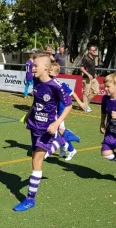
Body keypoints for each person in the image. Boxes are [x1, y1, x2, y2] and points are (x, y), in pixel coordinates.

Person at [13, 53, 72, 212]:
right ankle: (61, 141)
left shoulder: (56, 86)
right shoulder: (37, 82)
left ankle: (30, 199)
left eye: (35, 66)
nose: (32, 68)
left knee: (36, 161)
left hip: (47, 128)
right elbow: (36, 101)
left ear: (46, 67)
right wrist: (28, 113)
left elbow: (68, 105)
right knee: (36, 158)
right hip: (34, 125)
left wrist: (57, 122)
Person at [49, 63, 83, 161]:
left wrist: (80, 103)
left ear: (55, 73)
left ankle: (71, 147)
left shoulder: (60, 84)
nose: (48, 71)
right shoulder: (47, 82)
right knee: (56, 131)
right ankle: (64, 147)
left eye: (50, 70)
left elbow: (72, 93)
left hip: (60, 111)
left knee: (59, 130)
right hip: (53, 111)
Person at [80, 46, 99, 113]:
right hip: (86, 78)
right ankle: (85, 106)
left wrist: (95, 73)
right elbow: (81, 68)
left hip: (93, 78)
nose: (94, 51)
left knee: (96, 91)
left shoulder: (93, 57)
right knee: (86, 93)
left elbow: (92, 67)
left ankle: (85, 103)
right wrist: (88, 74)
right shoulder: (85, 58)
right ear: (89, 51)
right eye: (93, 50)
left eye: (95, 50)